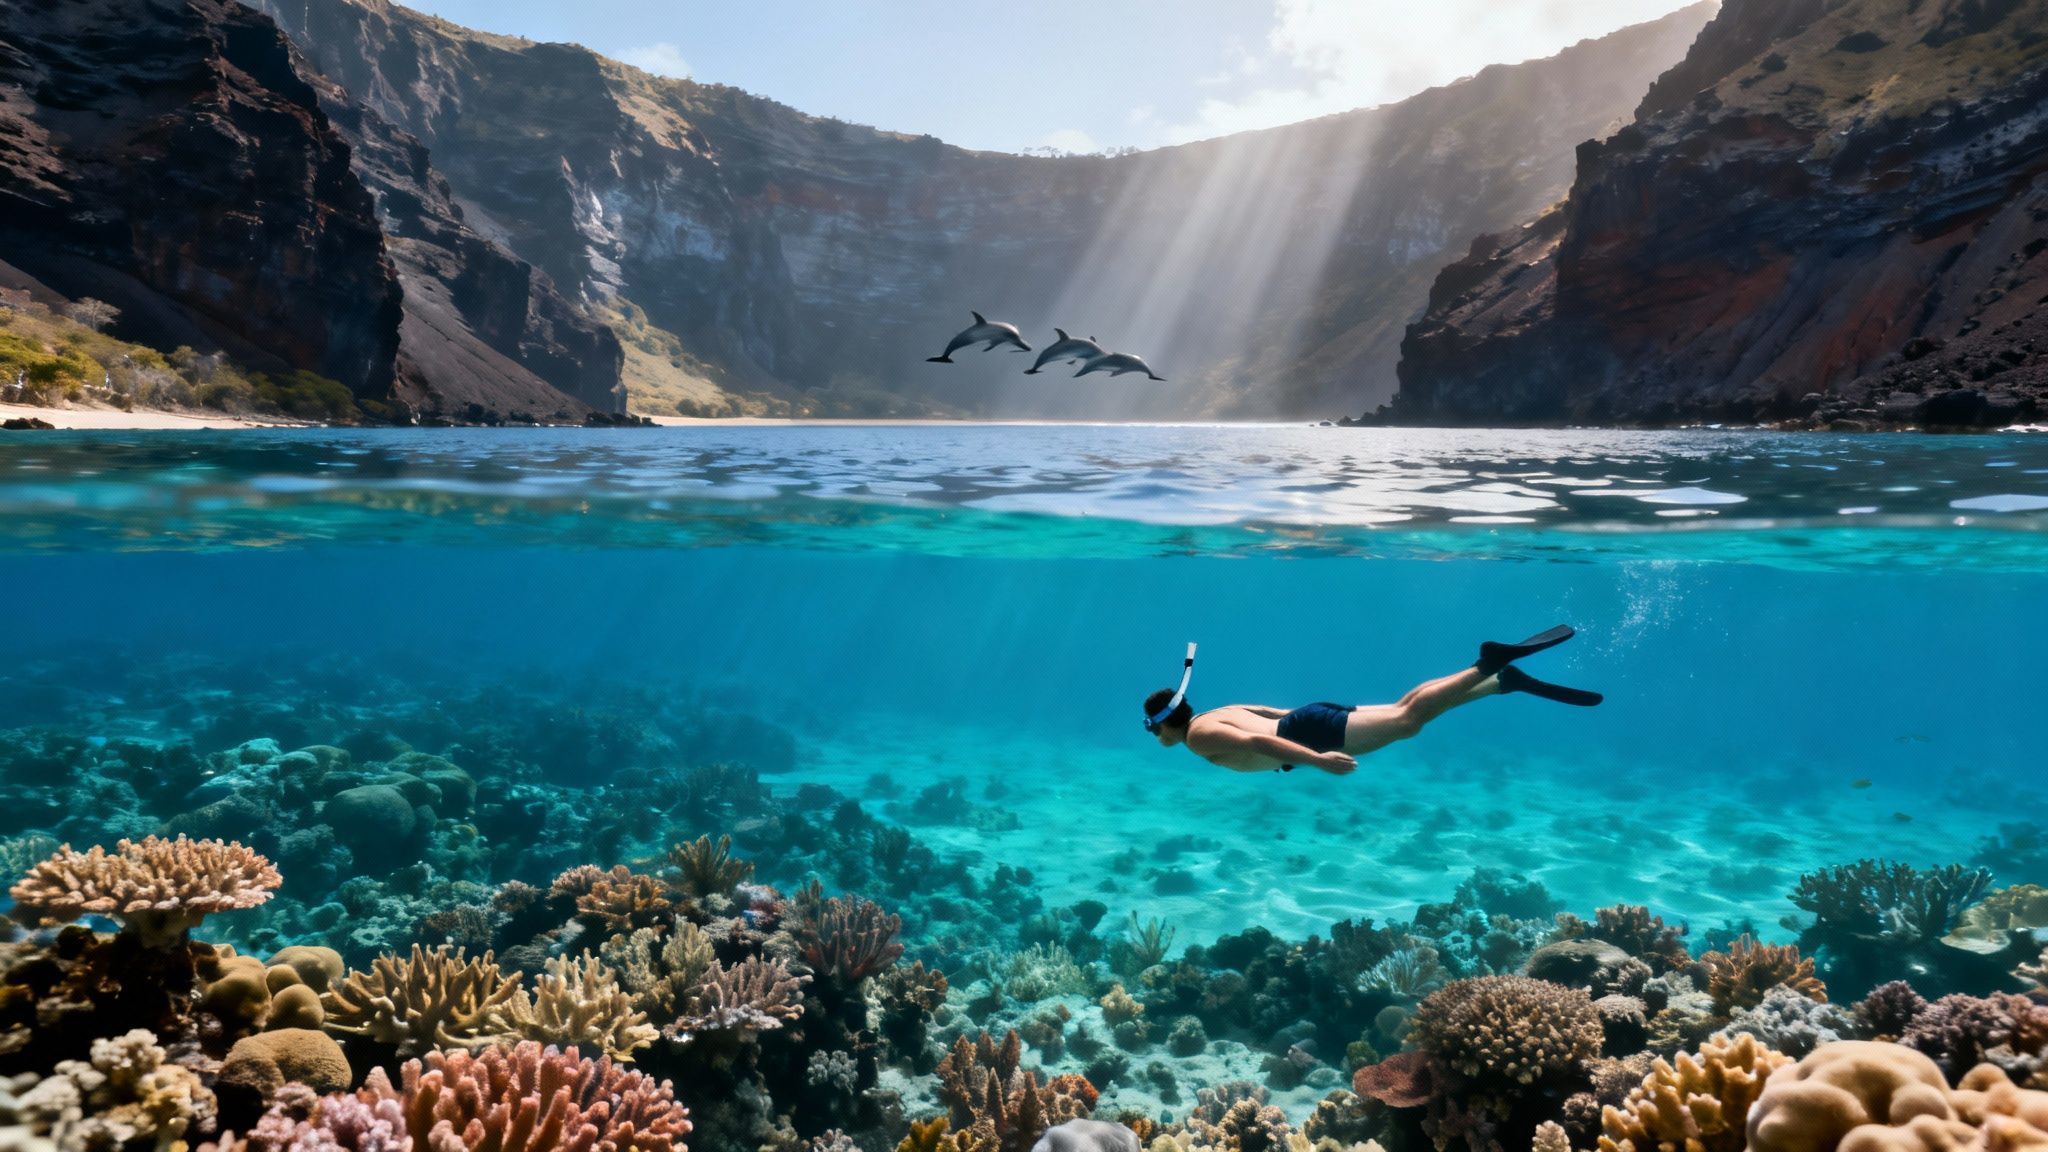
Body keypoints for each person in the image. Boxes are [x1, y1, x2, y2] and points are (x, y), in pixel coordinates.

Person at [1142, 626, 1600, 775]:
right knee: (1406, 709)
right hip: (1309, 716)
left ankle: (1486, 666)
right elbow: (1271, 713)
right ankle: (1502, 681)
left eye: (1150, 728)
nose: (1153, 736)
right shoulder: (1215, 712)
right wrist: (1320, 726)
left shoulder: (1199, 737)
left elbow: (1264, 744)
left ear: (1165, 723)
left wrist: (1319, 761)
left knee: (1408, 721)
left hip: (1308, 733)